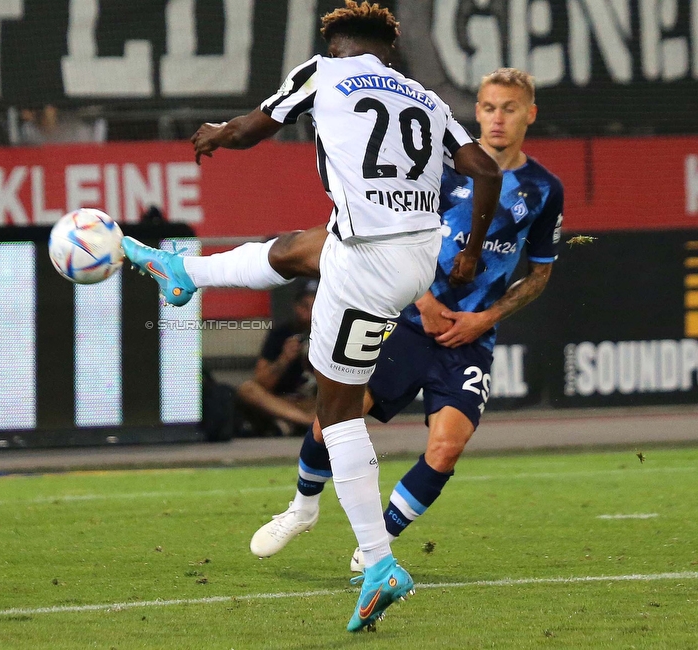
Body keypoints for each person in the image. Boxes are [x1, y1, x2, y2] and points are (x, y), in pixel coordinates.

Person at [123, 1, 502, 630]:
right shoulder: (424, 98)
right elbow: (484, 171)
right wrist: (468, 247)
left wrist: (217, 133)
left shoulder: (323, 72)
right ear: (390, 50)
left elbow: (250, 129)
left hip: (366, 266)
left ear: (338, 44)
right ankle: (185, 272)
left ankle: (380, 565)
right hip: (414, 250)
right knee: (303, 246)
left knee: (336, 415)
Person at [237, 280, 317, 437]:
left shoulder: (334, 334)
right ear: (296, 307)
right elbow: (261, 382)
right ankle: (307, 422)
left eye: (316, 306)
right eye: (305, 306)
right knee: (247, 389)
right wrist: (284, 359)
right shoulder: (281, 334)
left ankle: (293, 424)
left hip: (314, 403)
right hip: (282, 404)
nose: (310, 312)